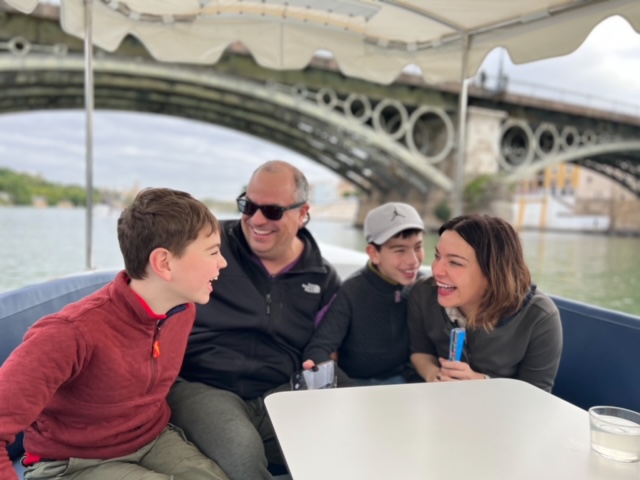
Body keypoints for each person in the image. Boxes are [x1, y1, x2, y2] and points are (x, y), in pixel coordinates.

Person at [0, 188, 229, 480]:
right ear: (164, 263)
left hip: (153, 440)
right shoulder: (69, 333)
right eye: (213, 252)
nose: (222, 262)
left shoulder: (182, 310)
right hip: (72, 462)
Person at [168, 160, 341, 480]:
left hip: (281, 389)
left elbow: (326, 346)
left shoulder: (323, 275)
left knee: (348, 436)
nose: (257, 220)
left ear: (303, 214)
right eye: (248, 206)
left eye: (273, 211)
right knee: (242, 455)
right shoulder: (207, 243)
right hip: (203, 383)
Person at [408, 214, 562, 392]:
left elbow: (538, 394)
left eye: (455, 263)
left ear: (493, 272)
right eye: (437, 256)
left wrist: (481, 383)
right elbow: (420, 352)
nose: (436, 270)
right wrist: (434, 375)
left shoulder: (540, 317)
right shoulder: (423, 293)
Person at [302, 202, 425, 386]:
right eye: (400, 250)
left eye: (418, 247)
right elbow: (318, 349)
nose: (413, 260)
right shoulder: (351, 291)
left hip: (406, 382)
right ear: (373, 253)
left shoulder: (423, 287)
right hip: (356, 384)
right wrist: (348, 389)